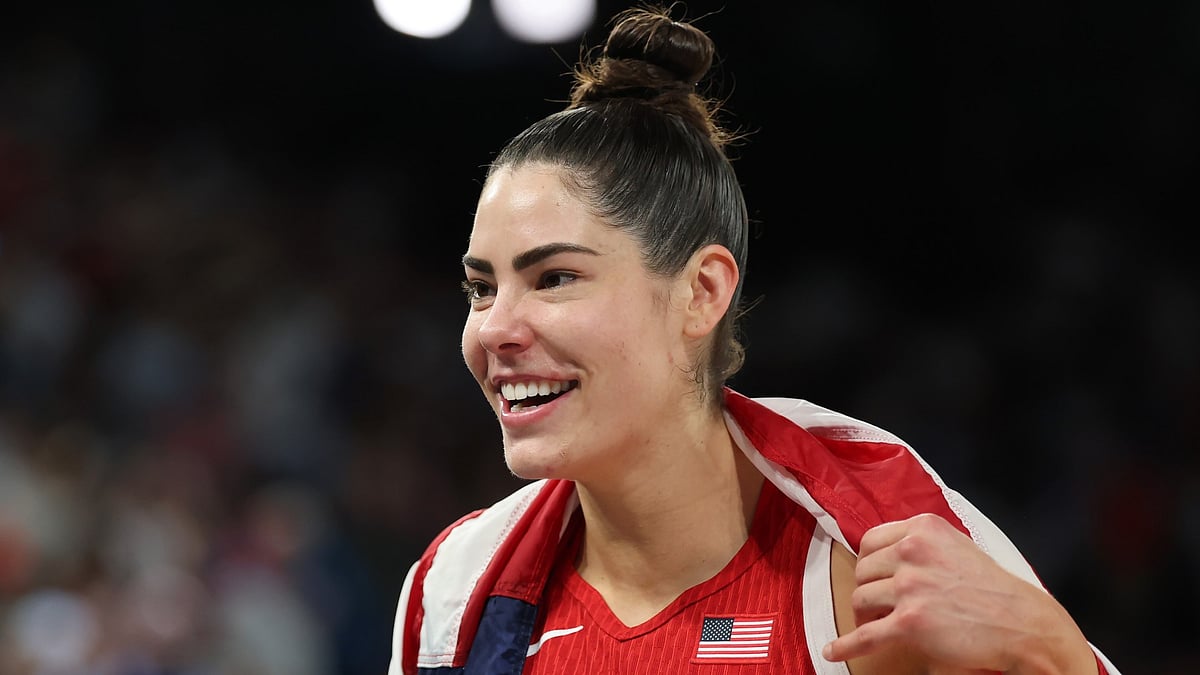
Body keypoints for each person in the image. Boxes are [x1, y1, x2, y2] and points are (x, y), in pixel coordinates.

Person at [388, 5, 1122, 674]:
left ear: (702, 291)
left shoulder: (876, 546)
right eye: (481, 288)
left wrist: (1055, 655)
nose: (496, 329)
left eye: (553, 278)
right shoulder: (454, 592)